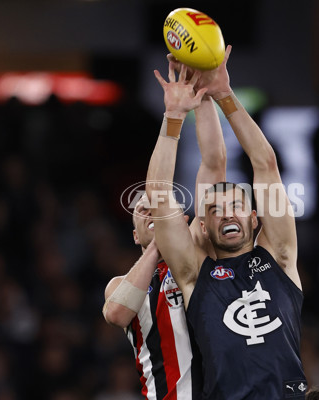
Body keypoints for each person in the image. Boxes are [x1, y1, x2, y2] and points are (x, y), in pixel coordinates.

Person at [147, 45, 307, 399]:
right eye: (215, 210)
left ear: (254, 218)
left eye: (236, 204)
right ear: (202, 227)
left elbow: (265, 164)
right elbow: (158, 194)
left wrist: (224, 94)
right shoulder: (193, 274)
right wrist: (173, 116)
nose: (227, 212)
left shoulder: (280, 257)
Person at [102, 62, 226, 398]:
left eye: (159, 206)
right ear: (135, 236)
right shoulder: (123, 286)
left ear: (185, 222)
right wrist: (159, 246)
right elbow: (116, 313)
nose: (151, 211)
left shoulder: (201, 255)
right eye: (142, 211)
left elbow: (214, 165)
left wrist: (202, 96)